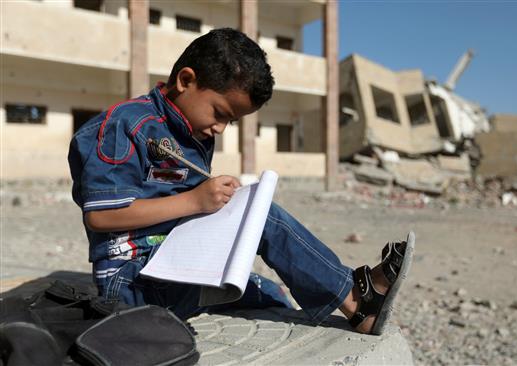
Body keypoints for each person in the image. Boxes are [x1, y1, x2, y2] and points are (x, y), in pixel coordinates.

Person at [68, 28, 413, 335]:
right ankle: (357, 300)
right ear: (186, 81)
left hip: (174, 265)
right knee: (263, 217)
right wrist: (195, 201)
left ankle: (352, 294)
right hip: (131, 282)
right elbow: (103, 216)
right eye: (219, 113)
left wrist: (216, 201)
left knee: (271, 292)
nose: (219, 128)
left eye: (229, 122)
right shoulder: (125, 125)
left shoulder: (193, 130)